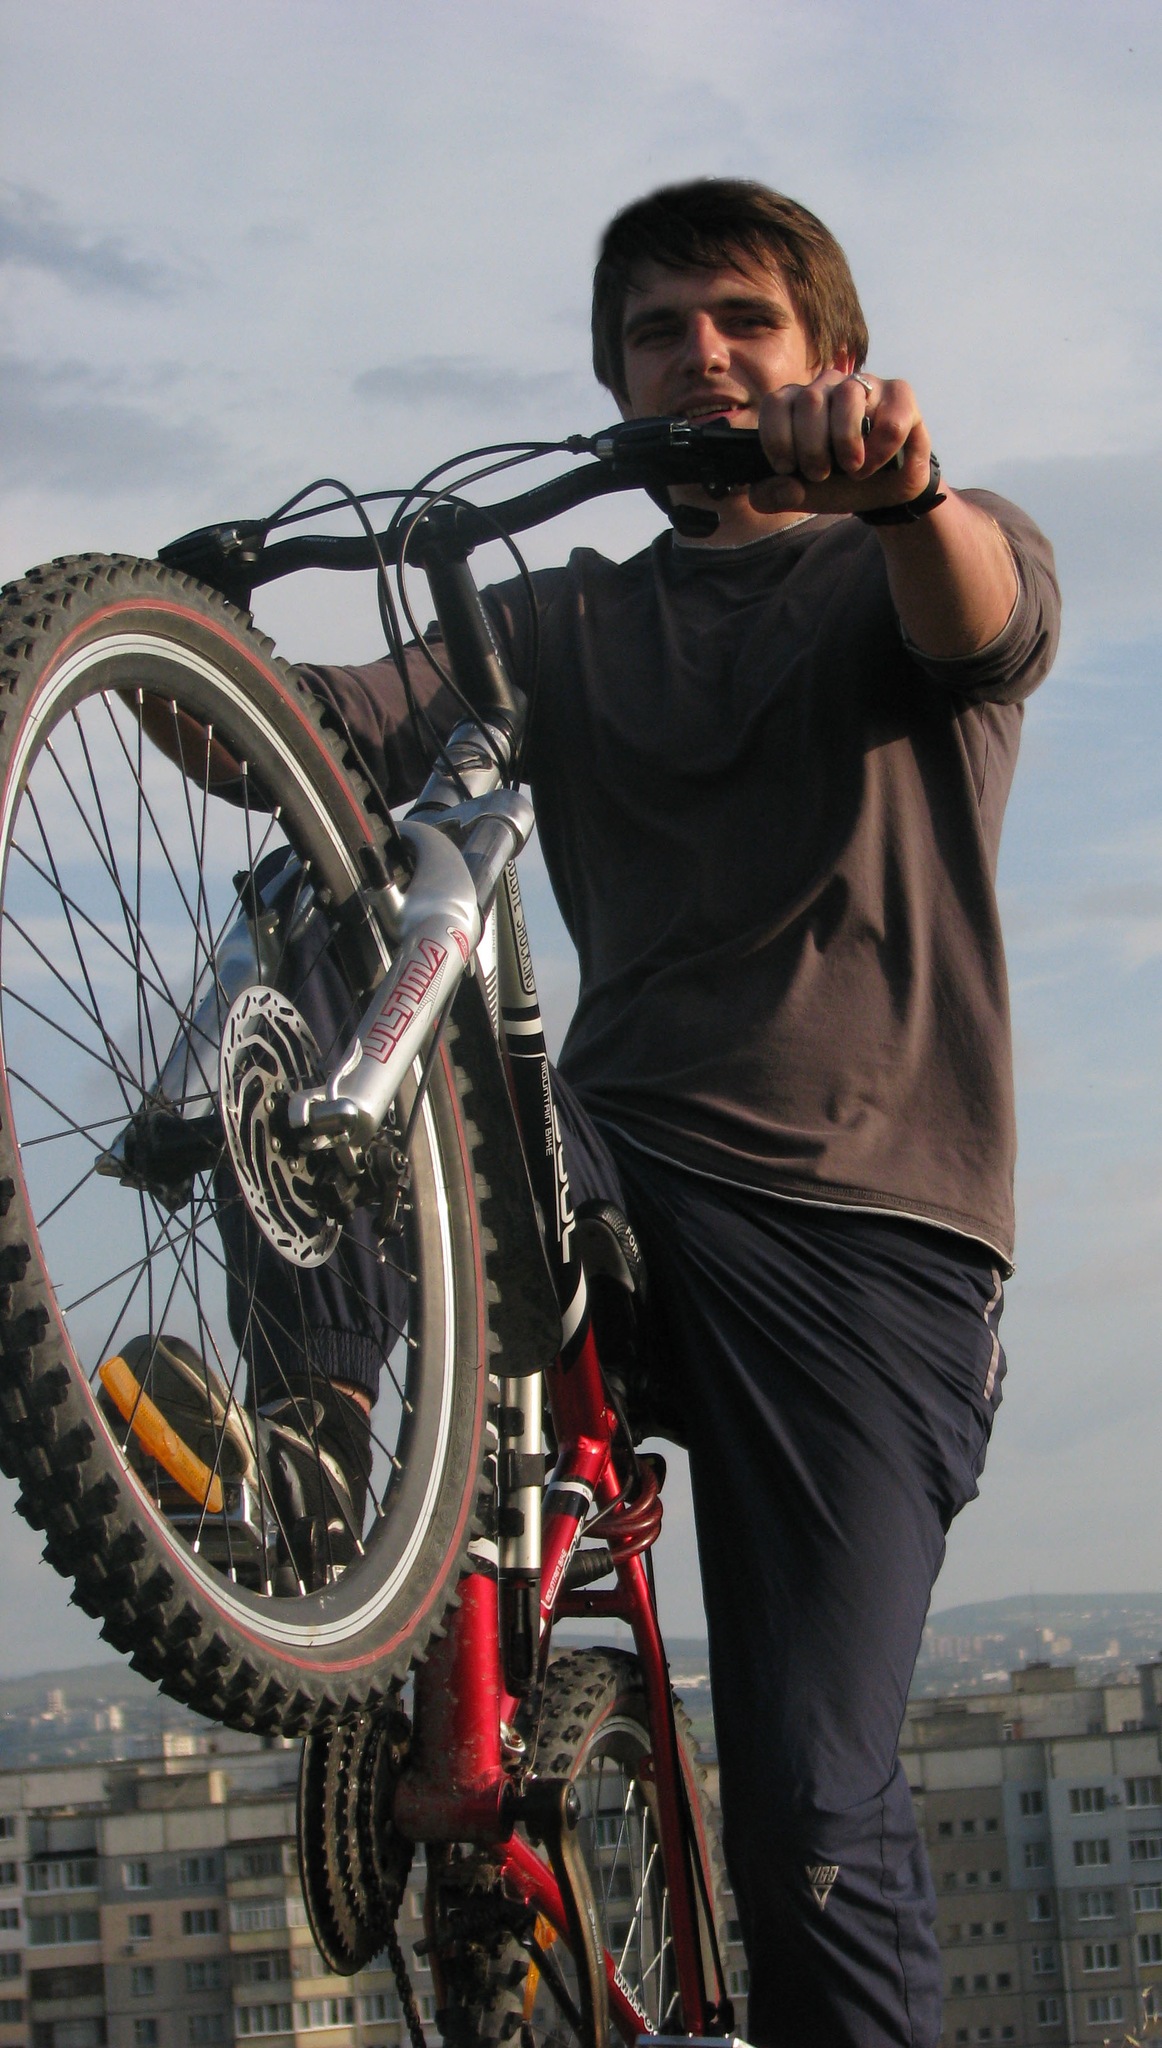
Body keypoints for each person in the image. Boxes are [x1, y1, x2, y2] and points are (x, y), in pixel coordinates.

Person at [151, 179, 1062, 2044]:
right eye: (658, 335)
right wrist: (167, 643)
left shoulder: (910, 560)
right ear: (615, 388)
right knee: (327, 908)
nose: (698, 358)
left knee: (811, 1810)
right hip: (613, 1169)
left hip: (869, 1240)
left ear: (834, 360)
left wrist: (902, 490)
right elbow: (303, 739)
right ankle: (330, 1460)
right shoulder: (560, 623)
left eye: (743, 323)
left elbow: (978, 614)